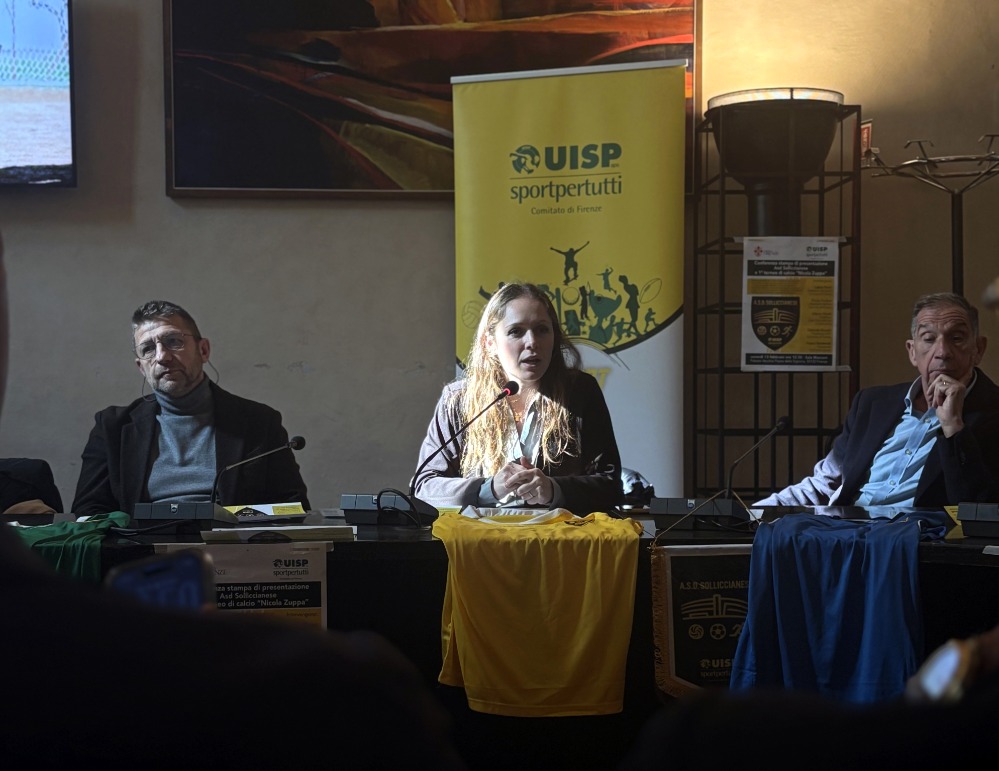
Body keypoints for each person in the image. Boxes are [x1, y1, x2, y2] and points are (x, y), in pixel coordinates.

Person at [757, 292, 999, 507]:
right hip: (846, 529)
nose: (943, 352)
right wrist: (753, 515)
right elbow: (825, 484)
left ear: (978, 349)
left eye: (956, 338)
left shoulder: (993, 411)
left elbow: (979, 507)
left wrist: (953, 427)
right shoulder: (872, 404)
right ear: (912, 352)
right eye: (928, 338)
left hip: (918, 537)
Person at [72, 300, 309, 516]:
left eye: (173, 341)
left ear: (203, 350)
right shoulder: (112, 427)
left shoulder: (259, 421)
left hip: (230, 544)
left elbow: (292, 506)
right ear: (141, 367)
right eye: (148, 349)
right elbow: (88, 512)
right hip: (143, 544)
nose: (162, 357)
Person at [413, 282, 622, 514]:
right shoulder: (459, 399)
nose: (532, 342)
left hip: (556, 534)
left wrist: (554, 489)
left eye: (542, 329)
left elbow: (610, 486)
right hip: (480, 535)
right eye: (516, 331)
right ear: (489, 343)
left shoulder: (580, 392)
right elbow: (424, 486)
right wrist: (487, 489)